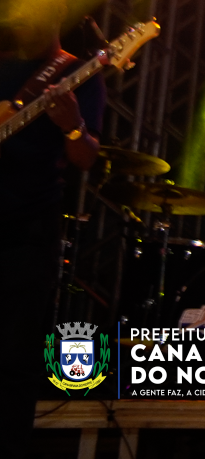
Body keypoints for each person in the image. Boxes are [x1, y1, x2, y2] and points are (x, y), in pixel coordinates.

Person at [0, 26, 102, 434]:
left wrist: (73, 126)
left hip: (27, 232)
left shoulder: (78, 73)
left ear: (60, 9)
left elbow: (86, 157)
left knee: (13, 360)